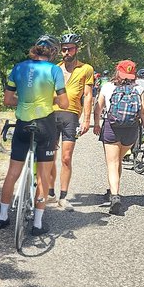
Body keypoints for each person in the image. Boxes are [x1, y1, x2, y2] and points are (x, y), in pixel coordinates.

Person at [0, 35, 68, 236]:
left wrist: (25, 100)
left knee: (12, 172)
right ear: (52, 53)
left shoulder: (18, 68)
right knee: (44, 176)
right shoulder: (54, 70)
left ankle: (3, 216)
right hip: (45, 124)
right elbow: (64, 104)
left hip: (22, 123)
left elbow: (8, 100)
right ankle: (37, 223)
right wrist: (47, 98)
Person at [93, 60, 144, 215]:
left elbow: (98, 107)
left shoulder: (107, 87)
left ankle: (114, 196)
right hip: (131, 130)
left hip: (112, 127)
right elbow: (143, 112)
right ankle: (114, 190)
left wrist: (96, 124)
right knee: (118, 160)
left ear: (117, 72)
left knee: (112, 163)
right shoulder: (139, 88)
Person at [46, 33, 94, 211]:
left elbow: (88, 95)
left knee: (66, 158)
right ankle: (50, 194)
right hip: (52, 114)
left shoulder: (86, 69)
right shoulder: (55, 69)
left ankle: (63, 197)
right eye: (64, 49)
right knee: (49, 156)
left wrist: (87, 119)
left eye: (70, 49)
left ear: (76, 49)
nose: (66, 52)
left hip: (71, 115)